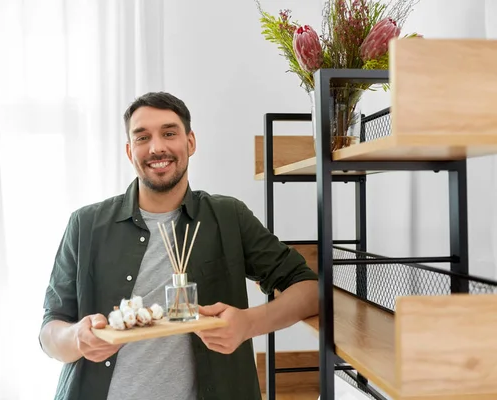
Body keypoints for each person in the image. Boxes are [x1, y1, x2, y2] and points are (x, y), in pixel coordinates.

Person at [38, 91, 319, 400]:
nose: (157, 147)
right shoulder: (85, 224)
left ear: (190, 142)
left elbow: (309, 290)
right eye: (143, 137)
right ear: (130, 152)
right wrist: (76, 338)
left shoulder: (228, 217)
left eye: (169, 133)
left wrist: (247, 324)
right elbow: (50, 332)